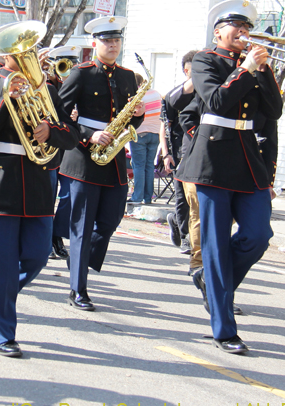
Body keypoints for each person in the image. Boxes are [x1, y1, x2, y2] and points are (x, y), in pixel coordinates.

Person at [175, 0, 282, 355]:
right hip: (213, 161)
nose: (243, 32)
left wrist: (263, 70)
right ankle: (224, 329)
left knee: (258, 235)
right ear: (218, 32)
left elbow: (274, 111)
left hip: (249, 160)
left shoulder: (254, 66)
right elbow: (217, 101)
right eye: (236, 26)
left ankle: (213, 281)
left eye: (247, 27)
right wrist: (247, 69)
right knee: (216, 247)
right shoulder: (205, 60)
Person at [0, 20, 78, 356]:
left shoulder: (47, 89)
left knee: (37, 256)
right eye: (19, 51)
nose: (25, 55)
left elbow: (71, 135)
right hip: (0, 184)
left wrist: (51, 132)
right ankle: (3, 335)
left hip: (38, 184)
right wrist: (5, 101)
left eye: (29, 50)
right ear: (3, 55)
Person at [58, 16, 144, 311]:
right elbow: (60, 114)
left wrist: (138, 115)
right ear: (95, 43)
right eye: (107, 41)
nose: (112, 45)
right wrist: (87, 135)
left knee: (110, 220)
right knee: (81, 227)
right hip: (84, 158)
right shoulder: (80, 73)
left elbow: (131, 119)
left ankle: (78, 258)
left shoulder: (128, 76)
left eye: (116, 40)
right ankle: (77, 290)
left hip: (114, 159)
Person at [45, 44, 80, 260]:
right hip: (49, 148)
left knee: (68, 195)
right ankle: (46, 237)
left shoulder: (81, 84)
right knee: (47, 196)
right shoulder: (47, 86)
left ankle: (57, 234)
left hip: (71, 149)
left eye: (72, 63)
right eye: (64, 64)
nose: (68, 68)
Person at [163, 50, 198, 252]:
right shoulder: (176, 94)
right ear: (186, 70)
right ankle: (185, 236)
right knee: (182, 196)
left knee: (194, 198)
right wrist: (166, 154)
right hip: (179, 150)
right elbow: (165, 126)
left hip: (198, 148)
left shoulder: (206, 90)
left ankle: (178, 221)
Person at [128, 73, 160, 205]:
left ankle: (137, 196)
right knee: (149, 165)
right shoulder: (156, 94)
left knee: (138, 166)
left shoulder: (137, 97)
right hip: (155, 133)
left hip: (139, 133)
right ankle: (148, 197)